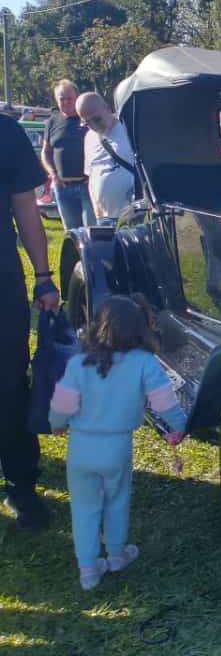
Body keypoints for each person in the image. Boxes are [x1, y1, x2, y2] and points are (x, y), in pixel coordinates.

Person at [48, 295, 187, 590]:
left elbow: (62, 404)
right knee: (116, 499)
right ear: (141, 329)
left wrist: (56, 425)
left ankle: (88, 569)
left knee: (84, 508)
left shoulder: (78, 362)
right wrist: (182, 427)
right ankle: (116, 553)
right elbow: (165, 404)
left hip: (81, 447)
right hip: (117, 447)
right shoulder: (145, 363)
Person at [1, 113, 59, 531]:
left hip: (1, 280)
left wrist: (43, 276)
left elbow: (26, 208)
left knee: (8, 383)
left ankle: (21, 485)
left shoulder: (5, 132)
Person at [42, 79, 95, 229]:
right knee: (71, 234)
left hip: (87, 186)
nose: (65, 102)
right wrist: (53, 174)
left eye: (69, 98)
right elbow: (46, 152)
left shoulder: (88, 119)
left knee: (91, 232)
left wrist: (93, 175)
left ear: (77, 97)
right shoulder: (52, 122)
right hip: (62, 187)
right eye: (61, 99)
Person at [76, 92, 136, 222]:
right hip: (105, 218)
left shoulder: (130, 129)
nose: (93, 125)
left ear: (107, 108)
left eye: (96, 119)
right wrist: (96, 210)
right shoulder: (89, 137)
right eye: (87, 123)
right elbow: (91, 176)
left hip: (135, 215)